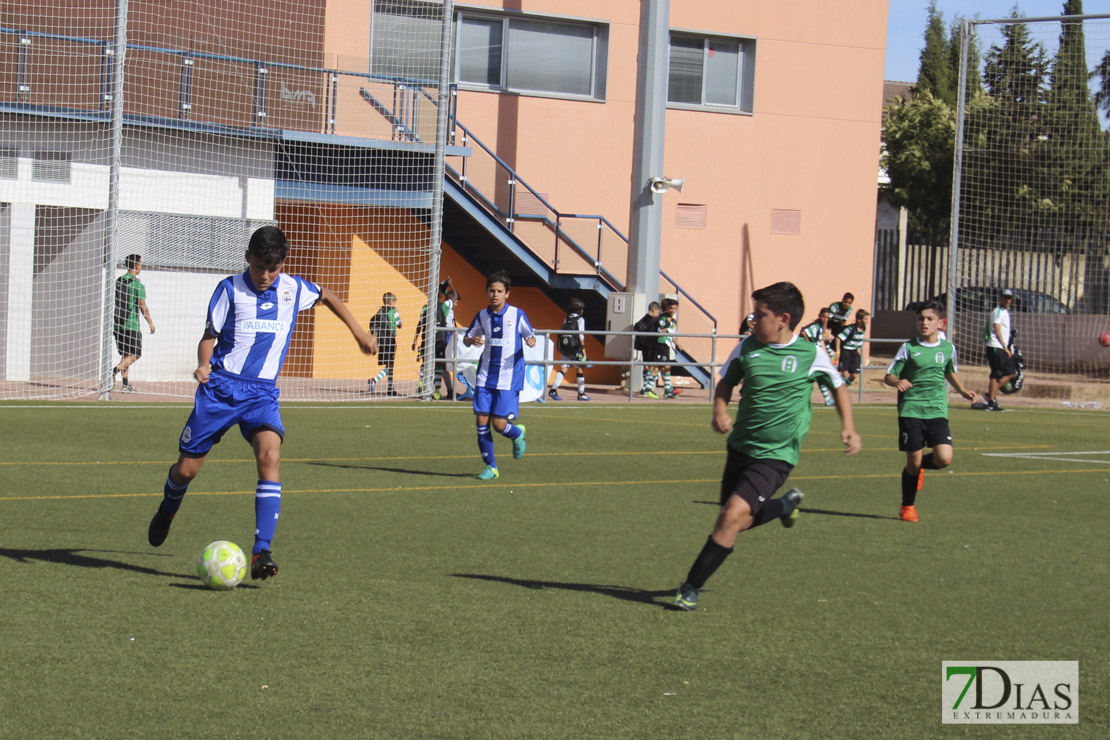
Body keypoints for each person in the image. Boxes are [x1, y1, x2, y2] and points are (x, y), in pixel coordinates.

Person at [146, 226, 377, 581]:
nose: (266, 276)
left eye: (273, 268)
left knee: (270, 455)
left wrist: (359, 332)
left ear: (282, 263)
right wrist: (204, 364)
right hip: (221, 388)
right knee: (187, 470)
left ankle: (261, 550)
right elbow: (209, 338)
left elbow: (328, 295)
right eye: (259, 268)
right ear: (247, 259)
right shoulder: (229, 290)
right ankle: (168, 506)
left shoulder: (292, 288)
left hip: (262, 394)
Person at [673, 282, 861, 611]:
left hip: (777, 455)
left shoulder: (810, 354)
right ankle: (785, 506)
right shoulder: (747, 348)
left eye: (759, 315)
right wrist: (720, 411)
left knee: (731, 517)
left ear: (783, 319)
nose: (752, 321)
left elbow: (838, 385)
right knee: (735, 522)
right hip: (740, 448)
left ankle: (690, 587)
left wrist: (848, 426)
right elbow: (726, 383)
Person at [883, 301, 977, 522]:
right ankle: (907, 506)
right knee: (912, 464)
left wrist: (962, 390)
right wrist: (898, 382)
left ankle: (919, 468)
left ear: (940, 323)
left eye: (929, 319)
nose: (924, 323)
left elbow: (949, 371)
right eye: (920, 319)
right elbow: (889, 376)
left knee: (944, 459)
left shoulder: (948, 349)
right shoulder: (909, 348)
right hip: (911, 410)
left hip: (936, 410)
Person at [463, 270, 536, 480]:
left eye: (499, 291)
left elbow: (530, 336)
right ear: (487, 293)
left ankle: (517, 434)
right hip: (485, 376)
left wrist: (531, 341)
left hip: (509, 377)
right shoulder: (482, 316)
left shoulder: (517, 314)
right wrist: (472, 341)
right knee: (481, 423)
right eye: (492, 291)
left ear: (507, 294)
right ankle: (491, 467)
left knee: (499, 425)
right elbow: (468, 337)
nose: (495, 294)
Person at [113, 254, 155, 393]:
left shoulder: (119, 281)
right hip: (131, 325)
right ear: (137, 265)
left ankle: (125, 384)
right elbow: (143, 307)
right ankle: (113, 372)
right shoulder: (137, 285)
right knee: (135, 354)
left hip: (118, 325)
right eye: (141, 263)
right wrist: (150, 323)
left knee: (125, 355)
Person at [413, 277, 460, 400]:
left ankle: (421, 382)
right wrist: (450, 284)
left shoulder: (425, 307)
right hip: (441, 337)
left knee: (426, 362)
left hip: (427, 338)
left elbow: (419, 324)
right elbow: (455, 295)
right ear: (440, 295)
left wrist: (414, 339)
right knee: (440, 364)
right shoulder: (445, 304)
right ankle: (438, 390)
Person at [549, 297, 590, 401]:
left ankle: (553, 389)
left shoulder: (567, 318)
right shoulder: (580, 319)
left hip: (566, 347)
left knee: (564, 368)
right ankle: (581, 393)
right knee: (580, 368)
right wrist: (584, 349)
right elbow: (581, 335)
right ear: (580, 310)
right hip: (576, 347)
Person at [982, 288, 1016, 412]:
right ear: (1001, 298)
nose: (1008, 300)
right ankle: (991, 402)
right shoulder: (998, 311)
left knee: (1011, 372)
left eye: (1009, 298)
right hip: (996, 346)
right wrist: (1005, 347)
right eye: (1006, 297)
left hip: (1001, 347)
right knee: (996, 374)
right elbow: (996, 329)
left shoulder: (1005, 312)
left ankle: (990, 394)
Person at [644, 297, 680, 399]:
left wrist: (677, 343)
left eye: (675, 308)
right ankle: (646, 389)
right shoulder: (663, 318)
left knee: (667, 367)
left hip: (666, 344)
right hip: (661, 344)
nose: (673, 310)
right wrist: (667, 323)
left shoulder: (672, 319)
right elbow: (661, 331)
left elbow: (670, 333)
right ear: (667, 308)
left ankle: (668, 390)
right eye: (671, 308)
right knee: (658, 367)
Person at [800, 307, 836, 406]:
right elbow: (804, 332)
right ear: (819, 316)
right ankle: (828, 398)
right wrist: (809, 346)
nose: (825, 319)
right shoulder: (815, 326)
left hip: (815, 355)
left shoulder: (822, 328)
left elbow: (825, 341)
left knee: (819, 375)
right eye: (823, 317)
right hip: (810, 354)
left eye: (827, 318)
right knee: (820, 375)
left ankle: (827, 398)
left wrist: (832, 355)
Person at [368, 291, 401, 396]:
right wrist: (396, 315)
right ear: (391, 302)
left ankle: (390, 388)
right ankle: (374, 380)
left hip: (381, 341)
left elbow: (372, 323)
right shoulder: (393, 311)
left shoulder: (379, 312)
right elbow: (400, 324)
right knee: (390, 364)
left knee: (389, 364)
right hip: (390, 340)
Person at [632, 302, 661, 396]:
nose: (658, 314)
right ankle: (646, 389)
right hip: (650, 346)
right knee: (654, 366)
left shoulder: (643, 319)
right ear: (653, 310)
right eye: (657, 312)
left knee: (646, 366)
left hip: (643, 345)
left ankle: (645, 388)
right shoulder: (653, 321)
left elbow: (636, 327)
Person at [835, 309, 870, 386]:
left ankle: (844, 387)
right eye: (865, 319)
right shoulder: (850, 329)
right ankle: (840, 390)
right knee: (844, 373)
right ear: (859, 320)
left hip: (854, 352)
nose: (867, 321)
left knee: (854, 375)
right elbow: (838, 338)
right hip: (846, 351)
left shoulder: (864, 328)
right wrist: (838, 351)